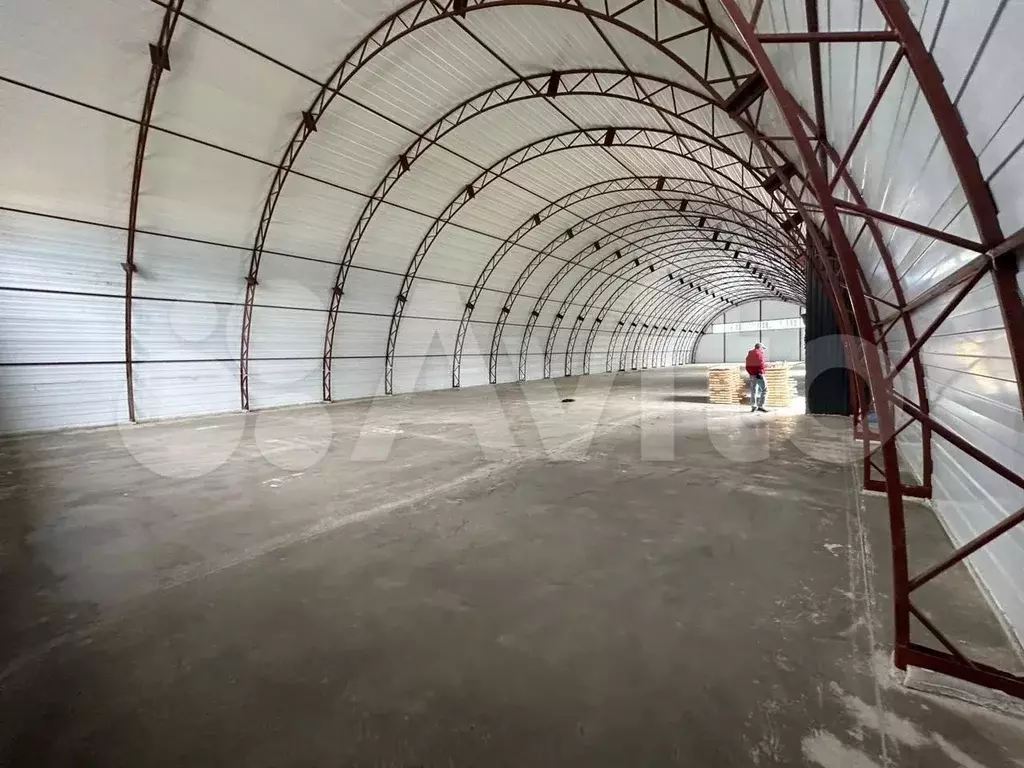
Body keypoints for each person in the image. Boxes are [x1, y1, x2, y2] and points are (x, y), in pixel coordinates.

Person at [745, 343, 768, 412]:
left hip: (752, 375)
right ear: (760, 348)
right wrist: (761, 371)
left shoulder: (749, 354)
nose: (763, 350)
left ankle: (753, 406)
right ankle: (761, 405)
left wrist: (751, 373)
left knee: (753, 391)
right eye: (763, 349)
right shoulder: (759, 354)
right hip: (759, 374)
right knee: (765, 390)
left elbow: (747, 365)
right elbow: (761, 364)